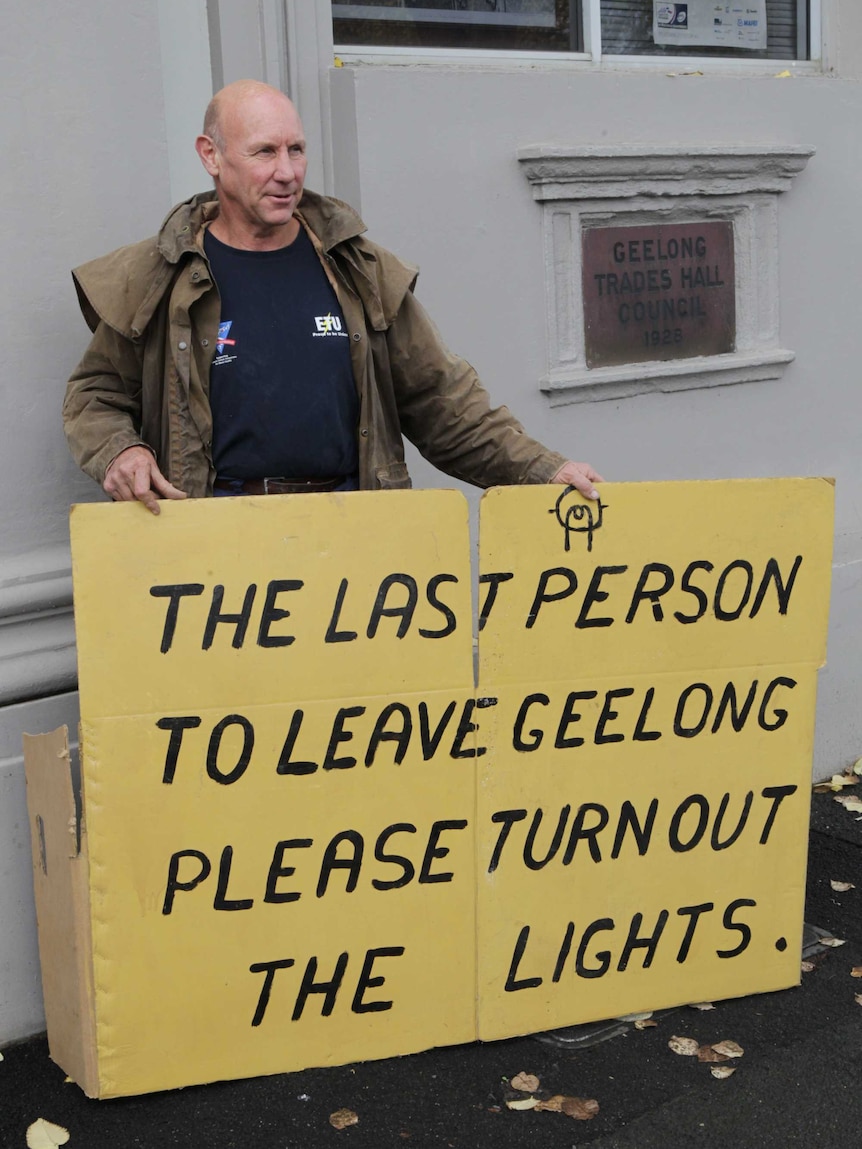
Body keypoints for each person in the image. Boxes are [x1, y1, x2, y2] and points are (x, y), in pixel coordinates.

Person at [63, 81, 602, 515]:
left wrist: (544, 469)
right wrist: (121, 450)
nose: (287, 172)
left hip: (351, 525)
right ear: (212, 156)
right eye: (264, 152)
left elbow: (444, 403)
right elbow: (96, 393)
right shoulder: (160, 276)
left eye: (296, 150)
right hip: (216, 531)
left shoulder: (358, 269)